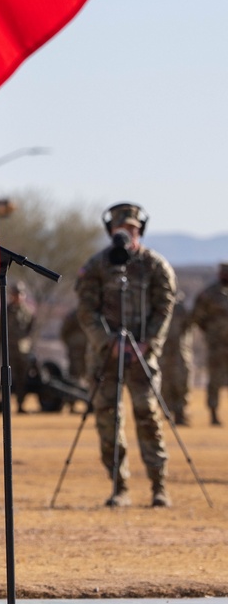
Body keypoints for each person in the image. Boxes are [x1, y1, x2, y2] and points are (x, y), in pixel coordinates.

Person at [75, 203, 175, 507]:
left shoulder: (155, 265)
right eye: (120, 230)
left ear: (140, 231)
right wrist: (108, 342)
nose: (126, 235)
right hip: (106, 357)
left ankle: (159, 486)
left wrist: (147, 344)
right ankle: (120, 486)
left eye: (131, 229)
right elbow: (86, 310)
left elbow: (165, 306)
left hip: (142, 356)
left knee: (148, 415)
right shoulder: (96, 266)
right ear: (110, 232)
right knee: (108, 419)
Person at [190, 263, 228, 426]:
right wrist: (210, 331)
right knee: (215, 379)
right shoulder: (210, 293)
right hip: (217, 345)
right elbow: (197, 315)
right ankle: (213, 413)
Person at [0, 281, 37, 413]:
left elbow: (30, 329)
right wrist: (0, 346)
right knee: (8, 378)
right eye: (16, 294)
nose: (18, 297)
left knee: (22, 378)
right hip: (8, 350)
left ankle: (21, 404)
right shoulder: (5, 312)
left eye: (20, 294)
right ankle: (4, 404)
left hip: (22, 351)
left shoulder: (27, 312)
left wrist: (28, 344)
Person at [159, 292, 193, 426]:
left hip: (179, 352)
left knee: (181, 382)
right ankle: (166, 410)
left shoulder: (181, 308)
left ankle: (180, 413)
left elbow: (189, 325)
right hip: (162, 351)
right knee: (164, 383)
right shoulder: (157, 305)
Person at [60, 307, 88, 388]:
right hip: (76, 348)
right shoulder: (73, 315)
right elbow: (64, 330)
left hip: (86, 348)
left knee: (85, 369)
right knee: (75, 370)